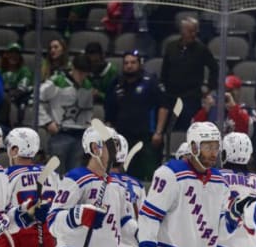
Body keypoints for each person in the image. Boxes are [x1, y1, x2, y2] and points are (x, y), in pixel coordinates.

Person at [105, 50, 169, 181]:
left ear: (140, 64)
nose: (129, 65)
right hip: (124, 137)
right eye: (126, 63)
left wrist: (159, 132)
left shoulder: (151, 81)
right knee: (127, 175)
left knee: (151, 174)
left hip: (147, 137)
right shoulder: (116, 84)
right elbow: (109, 110)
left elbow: (164, 107)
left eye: (133, 62)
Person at [39, 54, 94, 175]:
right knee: (55, 174)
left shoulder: (88, 85)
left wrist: (89, 123)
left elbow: (88, 109)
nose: (82, 76)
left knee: (74, 176)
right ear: (73, 68)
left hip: (80, 135)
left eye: (85, 73)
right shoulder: (57, 81)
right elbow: (38, 99)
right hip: (60, 132)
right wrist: (47, 122)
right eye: (80, 72)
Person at [161, 17, 218, 131]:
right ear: (182, 31)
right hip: (171, 95)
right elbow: (165, 69)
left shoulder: (201, 49)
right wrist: (164, 85)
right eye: (190, 31)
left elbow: (215, 68)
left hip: (191, 97)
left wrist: (209, 87)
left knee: (189, 129)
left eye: (195, 31)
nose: (193, 34)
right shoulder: (171, 47)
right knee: (170, 129)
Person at [0, 43, 33, 127]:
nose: (13, 56)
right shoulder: (0, 71)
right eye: (11, 53)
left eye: (16, 54)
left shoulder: (24, 71)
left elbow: (22, 88)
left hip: (17, 101)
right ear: (6, 55)